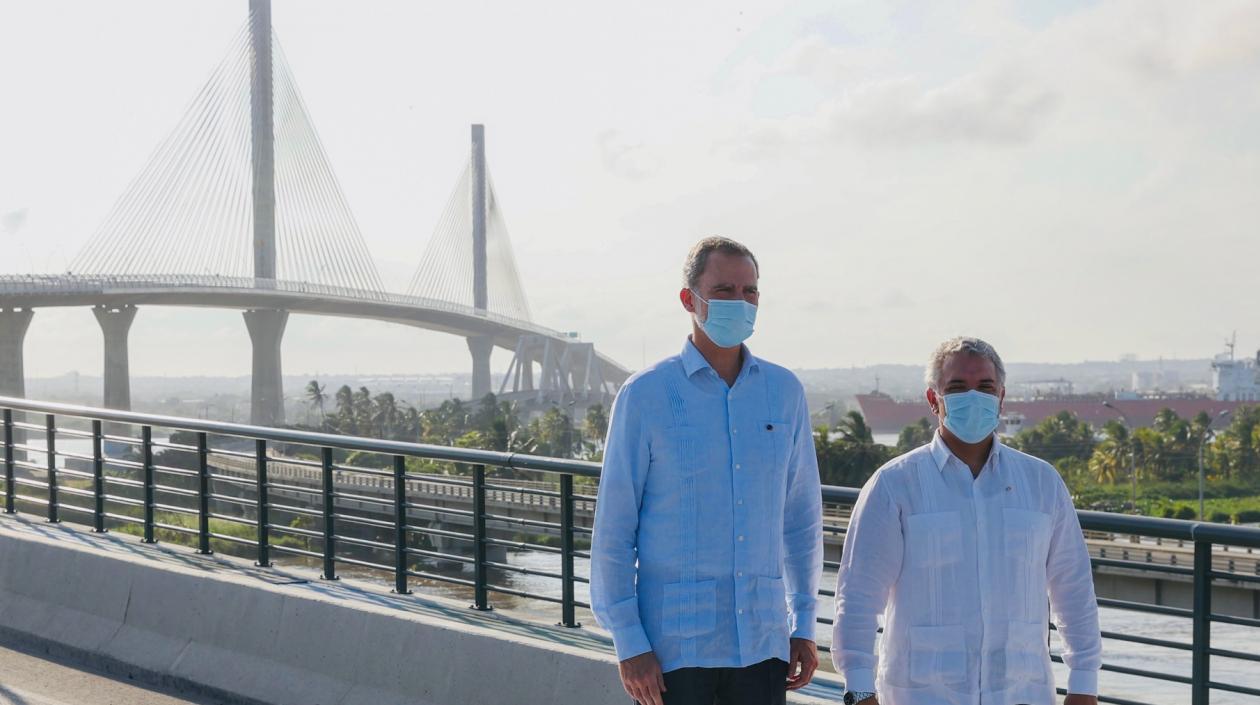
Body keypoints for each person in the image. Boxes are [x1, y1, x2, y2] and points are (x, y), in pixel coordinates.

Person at [590, 236, 823, 705]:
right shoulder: (646, 396)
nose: (740, 302)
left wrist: (803, 623)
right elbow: (614, 530)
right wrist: (629, 642)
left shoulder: (784, 392)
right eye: (724, 291)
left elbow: (801, 519)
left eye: (750, 291)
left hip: (762, 642)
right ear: (688, 300)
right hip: (675, 649)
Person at [832, 337, 1101, 705]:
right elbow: (858, 598)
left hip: (1022, 692)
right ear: (933, 400)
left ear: (1001, 398)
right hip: (923, 695)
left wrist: (1084, 683)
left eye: (984, 387)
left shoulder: (1041, 483)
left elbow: (1074, 590)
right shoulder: (895, 486)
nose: (972, 397)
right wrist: (860, 690)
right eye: (957, 387)